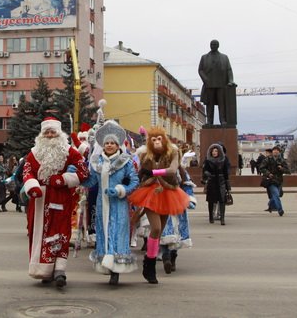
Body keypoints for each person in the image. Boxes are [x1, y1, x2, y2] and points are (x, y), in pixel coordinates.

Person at [22, 117, 89, 288]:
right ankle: (45, 270)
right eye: (47, 132)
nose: (50, 136)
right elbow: (27, 171)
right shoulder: (34, 153)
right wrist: (32, 186)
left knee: (60, 231)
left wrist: (63, 179)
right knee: (40, 234)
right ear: (42, 135)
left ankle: (60, 270)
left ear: (59, 134)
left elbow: (83, 172)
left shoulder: (69, 151)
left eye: (53, 132)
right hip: (40, 199)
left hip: (60, 197)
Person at [128, 126, 190, 284]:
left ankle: (150, 263)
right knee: (155, 228)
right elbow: (139, 171)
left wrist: (154, 172)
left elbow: (172, 169)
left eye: (159, 139)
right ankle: (149, 265)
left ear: (164, 139)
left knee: (160, 231)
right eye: (153, 139)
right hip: (150, 193)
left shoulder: (173, 152)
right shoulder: (144, 154)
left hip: (168, 192)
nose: (156, 142)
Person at [82, 119, 139, 285]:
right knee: (104, 232)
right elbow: (91, 181)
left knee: (117, 233)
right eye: (106, 143)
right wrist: (78, 177)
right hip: (102, 205)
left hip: (119, 205)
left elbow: (134, 182)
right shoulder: (97, 162)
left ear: (118, 145)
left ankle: (116, 270)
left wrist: (121, 190)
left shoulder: (125, 162)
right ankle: (106, 264)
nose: (109, 145)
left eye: (112, 143)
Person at [160, 161, 195, 275]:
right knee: (163, 232)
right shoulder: (160, 168)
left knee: (176, 232)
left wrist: (189, 200)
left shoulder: (181, 171)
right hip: (162, 204)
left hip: (178, 205)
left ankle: (173, 257)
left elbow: (187, 186)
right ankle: (166, 258)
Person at [198, 39, 236, 126]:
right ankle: (209, 121)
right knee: (209, 104)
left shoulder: (224, 57)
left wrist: (230, 81)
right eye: (211, 44)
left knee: (222, 103)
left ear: (218, 46)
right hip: (209, 84)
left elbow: (229, 70)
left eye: (215, 44)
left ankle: (223, 120)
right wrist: (206, 79)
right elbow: (200, 70)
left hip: (221, 84)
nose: (213, 46)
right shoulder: (204, 57)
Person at [202, 144, 231, 226]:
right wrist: (207, 174)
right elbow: (204, 170)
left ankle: (222, 218)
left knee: (222, 200)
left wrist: (228, 187)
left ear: (219, 152)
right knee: (211, 201)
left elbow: (226, 174)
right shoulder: (208, 160)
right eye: (213, 151)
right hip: (212, 181)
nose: (214, 152)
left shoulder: (223, 160)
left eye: (216, 151)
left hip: (221, 182)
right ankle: (211, 216)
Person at [260, 146, 290, 216]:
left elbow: (288, 171)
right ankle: (280, 210)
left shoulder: (282, 160)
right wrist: (268, 173)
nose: (275, 151)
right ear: (272, 152)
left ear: (279, 152)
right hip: (271, 180)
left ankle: (270, 204)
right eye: (274, 150)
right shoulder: (268, 159)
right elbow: (261, 168)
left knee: (277, 195)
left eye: (277, 150)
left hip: (279, 181)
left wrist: (282, 168)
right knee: (276, 195)